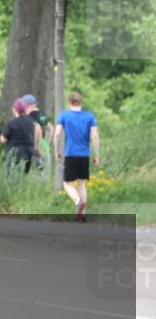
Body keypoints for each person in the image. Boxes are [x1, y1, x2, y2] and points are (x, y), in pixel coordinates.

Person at [54, 91, 100, 222]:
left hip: (71, 154)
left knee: (67, 184)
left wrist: (56, 151)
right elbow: (95, 136)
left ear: (70, 103)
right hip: (84, 155)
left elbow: (57, 134)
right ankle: (82, 216)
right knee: (81, 184)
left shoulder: (64, 115)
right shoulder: (90, 116)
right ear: (81, 102)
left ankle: (77, 201)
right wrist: (96, 154)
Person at [0, 99, 42, 175]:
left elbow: (3, 139)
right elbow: (38, 132)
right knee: (25, 175)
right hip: (28, 152)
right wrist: (36, 147)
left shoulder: (11, 123)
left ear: (15, 110)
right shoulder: (31, 122)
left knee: (12, 176)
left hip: (14, 153)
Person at [21, 94, 52, 170]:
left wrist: (36, 147)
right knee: (46, 173)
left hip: (34, 147)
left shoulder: (27, 118)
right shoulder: (40, 115)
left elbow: (37, 131)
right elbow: (51, 128)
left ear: (26, 105)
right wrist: (48, 144)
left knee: (35, 173)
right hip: (44, 145)